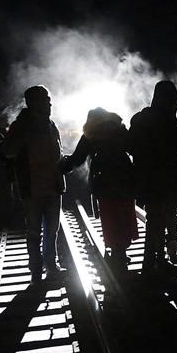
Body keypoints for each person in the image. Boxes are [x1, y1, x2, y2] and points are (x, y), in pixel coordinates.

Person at [129, 80, 177, 273]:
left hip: (147, 179)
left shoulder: (139, 119)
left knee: (154, 219)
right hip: (167, 179)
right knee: (167, 215)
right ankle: (161, 258)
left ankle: (151, 261)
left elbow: (130, 146)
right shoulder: (169, 120)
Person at [0, 85, 67, 284]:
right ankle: (37, 269)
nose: (49, 104)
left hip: (51, 185)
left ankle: (50, 267)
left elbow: (57, 153)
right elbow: (7, 152)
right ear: (34, 102)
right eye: (46, 99)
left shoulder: (50, 124)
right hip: (33, 186)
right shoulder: (22, 126)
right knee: (35, 231)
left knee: (51, 230)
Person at [60, 107, 137, 272]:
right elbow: (133, 147)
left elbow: (78, 158)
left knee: (110, 216)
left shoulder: (91, 133)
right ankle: (122, 250)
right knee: (124, 215)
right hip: (125, 178)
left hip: (104, 181)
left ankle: (116, 251)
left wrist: (62, 167)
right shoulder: (119, 129)